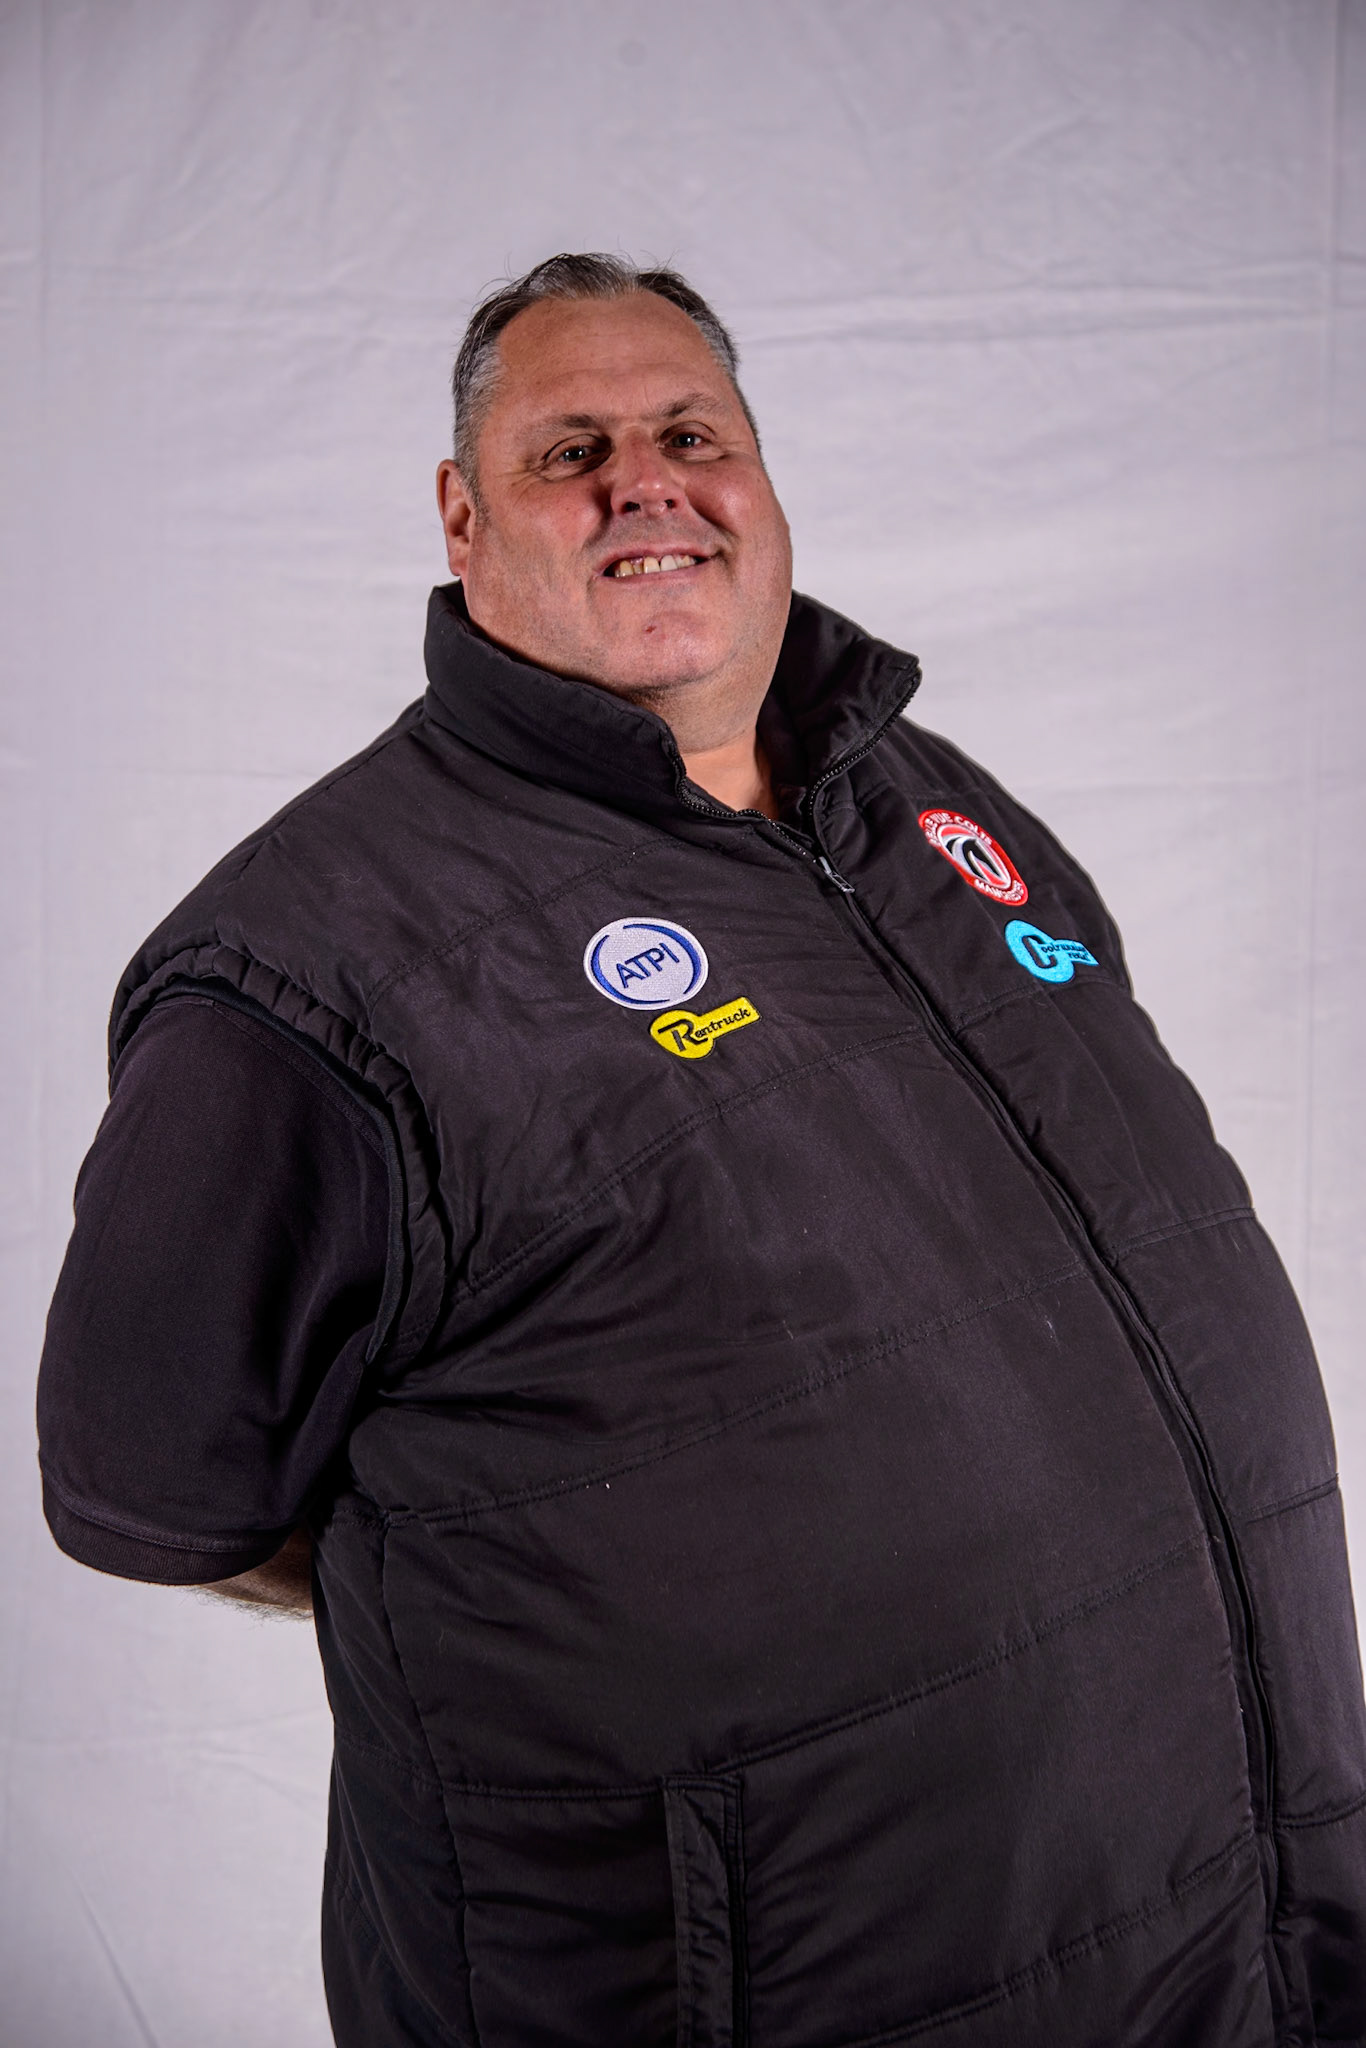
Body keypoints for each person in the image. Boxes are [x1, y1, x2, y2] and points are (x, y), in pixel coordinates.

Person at [36, 253, 1366, 2048]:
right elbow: (155, 1481)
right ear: (460, 515)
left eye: (688, 433)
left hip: (1226, 1938)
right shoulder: (312, 965)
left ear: (758, 474)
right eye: (565, 449)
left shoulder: (928, 804)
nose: (642, 481)